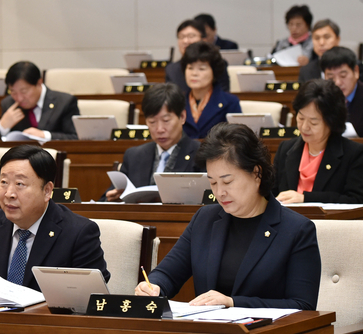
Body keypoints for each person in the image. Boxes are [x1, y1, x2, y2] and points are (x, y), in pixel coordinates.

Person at [136, 123, 321, 309]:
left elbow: (303, 305)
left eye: (227, 182)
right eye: (213, 183)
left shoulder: (297, 230)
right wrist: (154, 286)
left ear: (256, 174)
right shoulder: (205, 219)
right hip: (208, 326)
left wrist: (233, 303)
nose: (219, 192)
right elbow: (168, 273)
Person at [0, 145, 109, 296]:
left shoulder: (78, 232)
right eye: (4, 182)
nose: (9, 193)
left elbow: (91, 296)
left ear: (47, 191)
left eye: (20, 184)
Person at [100, 83, 200, 201]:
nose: (159, 129)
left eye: (166, 120)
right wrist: (114, 198)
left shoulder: (201, 154)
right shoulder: (134, 156)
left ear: (182, 116)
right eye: (152, 122)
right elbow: (106, 198)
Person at [273, 79, 363, 204]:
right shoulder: (285, 148)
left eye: (313, 122)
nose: (304, 127)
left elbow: (356, 199)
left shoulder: (354, 154)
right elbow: (271, 194)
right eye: (301, 118)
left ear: (331, 122)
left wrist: (305, 198)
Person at [0, 61, 79, 140]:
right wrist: (2, 128)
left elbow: (75, 137)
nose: (19, 98)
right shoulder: (8, 104)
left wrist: (45, 135)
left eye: (24, 91)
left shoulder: (64, 102)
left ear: (39, 83)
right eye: (13, 92)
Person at [181, 42, 241, 139]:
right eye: (190, 68)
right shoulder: (177, 102)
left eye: (201, 69)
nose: (194, 73)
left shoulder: (230, 103)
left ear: (214, 71)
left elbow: (237, 140)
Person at [165, 19, 230, 92]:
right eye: (181, 37)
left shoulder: (216, 63)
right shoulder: (172, 69)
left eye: (191, 36)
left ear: (204, 40)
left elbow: (223, 93)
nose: (185, 41)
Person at [321, 46, 363, 136]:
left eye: (343, 75)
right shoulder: (321, 98)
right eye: (331, 78)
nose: (338, 83)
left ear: (356, 72)